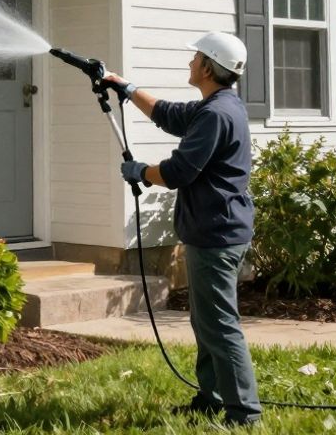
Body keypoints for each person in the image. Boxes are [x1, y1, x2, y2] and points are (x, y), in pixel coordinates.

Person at [104, 31, 263, 428]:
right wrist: (126, 87)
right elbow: (170, 114)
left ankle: (244, 413)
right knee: (206, 320)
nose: (190, 62)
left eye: (195, 58)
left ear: (209, 66)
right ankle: (210, 399)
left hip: (216, 234)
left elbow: (178, 172)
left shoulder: (215, 114)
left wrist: (141, 171)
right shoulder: (221, 105)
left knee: (220, 324)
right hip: (216, 230)